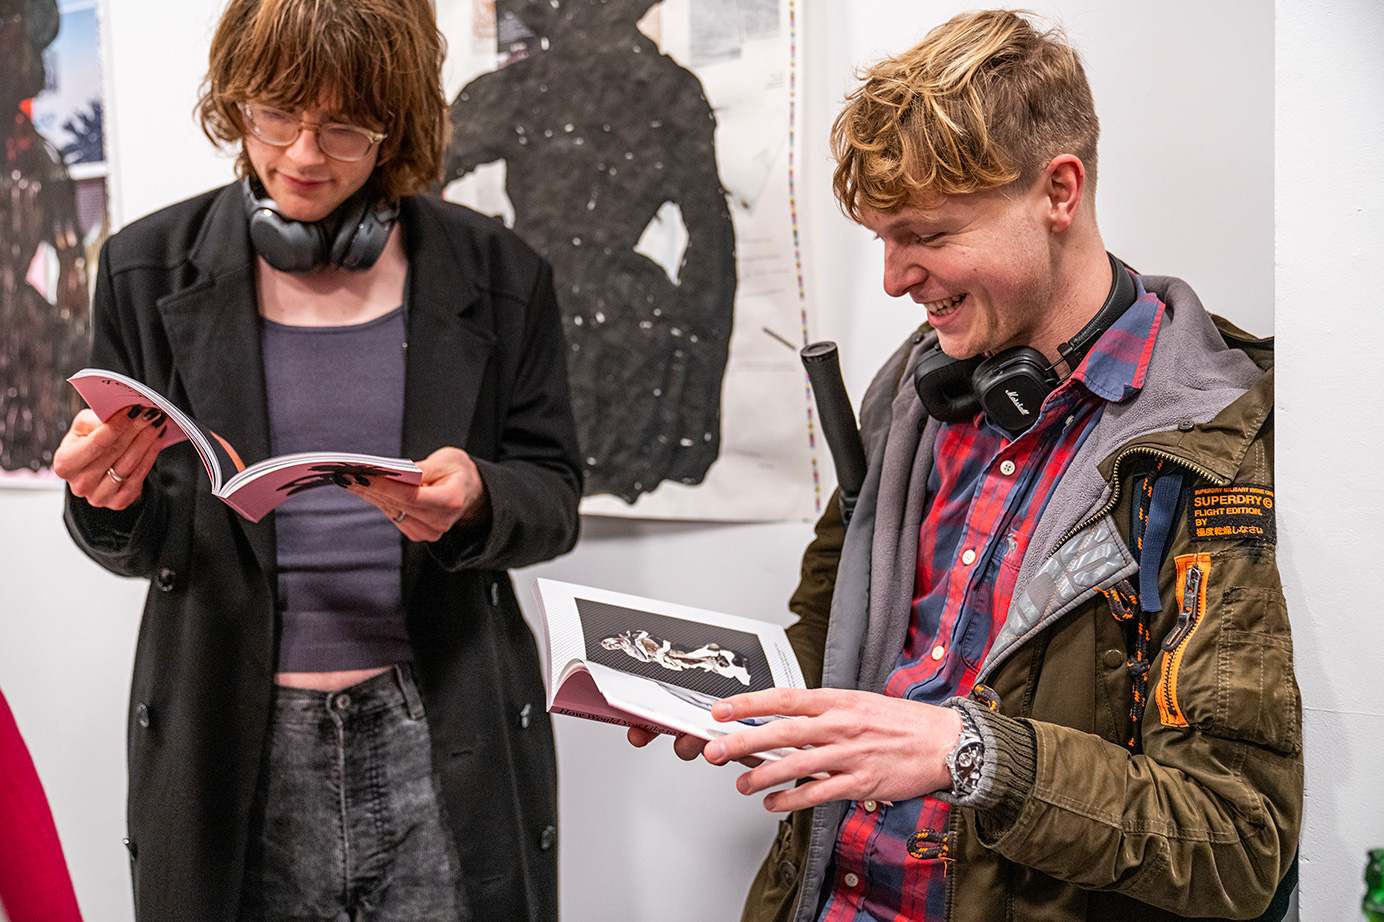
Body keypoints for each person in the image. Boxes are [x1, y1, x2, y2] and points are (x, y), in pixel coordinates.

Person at [631, 10, 1301, 922]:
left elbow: (1234, 841)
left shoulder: (1211, 446)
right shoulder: (916, 389)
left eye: (930, 236)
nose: (894, 279)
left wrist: (971, 755)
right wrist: (723, 698)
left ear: (1058, 191)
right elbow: (832, 642)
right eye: (882, 239)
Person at [51, 0, 581, 919]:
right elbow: (134, 540)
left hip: (439, 731)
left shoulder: (499, 274)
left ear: (395, 128)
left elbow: (556, 494)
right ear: (236, 102)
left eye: (343, 129)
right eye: (275, 115)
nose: (301, 155)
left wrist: (482, 498)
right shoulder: (146, 267)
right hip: (231, 736)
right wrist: (108, 498)